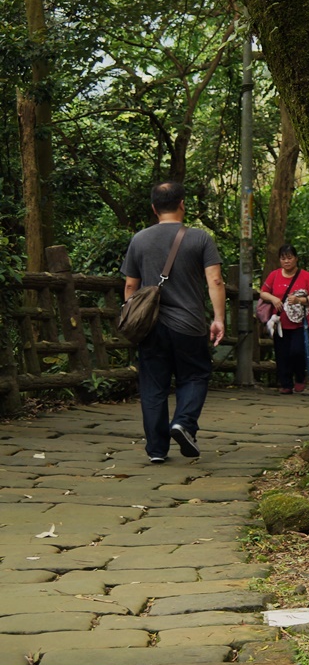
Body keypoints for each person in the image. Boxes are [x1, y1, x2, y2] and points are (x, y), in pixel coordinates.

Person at [121, 182, 225, 462]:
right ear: (182, 204)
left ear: (154, 208)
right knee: (194, 375)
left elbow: (131, 286)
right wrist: (218, 319)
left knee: (153, 384)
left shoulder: (139, 240)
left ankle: (156, 450)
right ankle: (184, 423)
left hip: (151, 327)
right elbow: (214, 280)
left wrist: (134, 317)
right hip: (189, 324)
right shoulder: (200, 238)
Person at [258, 245, 309, 394]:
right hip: (280, 322)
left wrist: (300, 300)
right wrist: (273, 298)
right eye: (283, 258)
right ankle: (286, 384)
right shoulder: (274, 275)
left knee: (297, 351)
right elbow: (263, 293)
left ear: (296, 258)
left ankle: (300, 377)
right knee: (282, 353)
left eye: (289, 258)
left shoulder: (306, 276)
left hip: (300, 323)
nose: (286, 261)